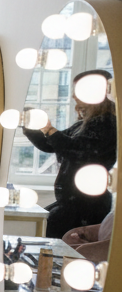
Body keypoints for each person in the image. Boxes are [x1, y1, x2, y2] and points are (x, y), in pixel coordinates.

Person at [23, 69, 117, 239]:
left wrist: (48, 129)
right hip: (71, 202)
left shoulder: (107, 123)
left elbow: (77, 150)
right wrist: (28, 122)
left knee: (46, 234)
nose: (74, 95)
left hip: (87, 206)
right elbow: (50, 145)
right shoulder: (85, 124)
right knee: (38, 227)